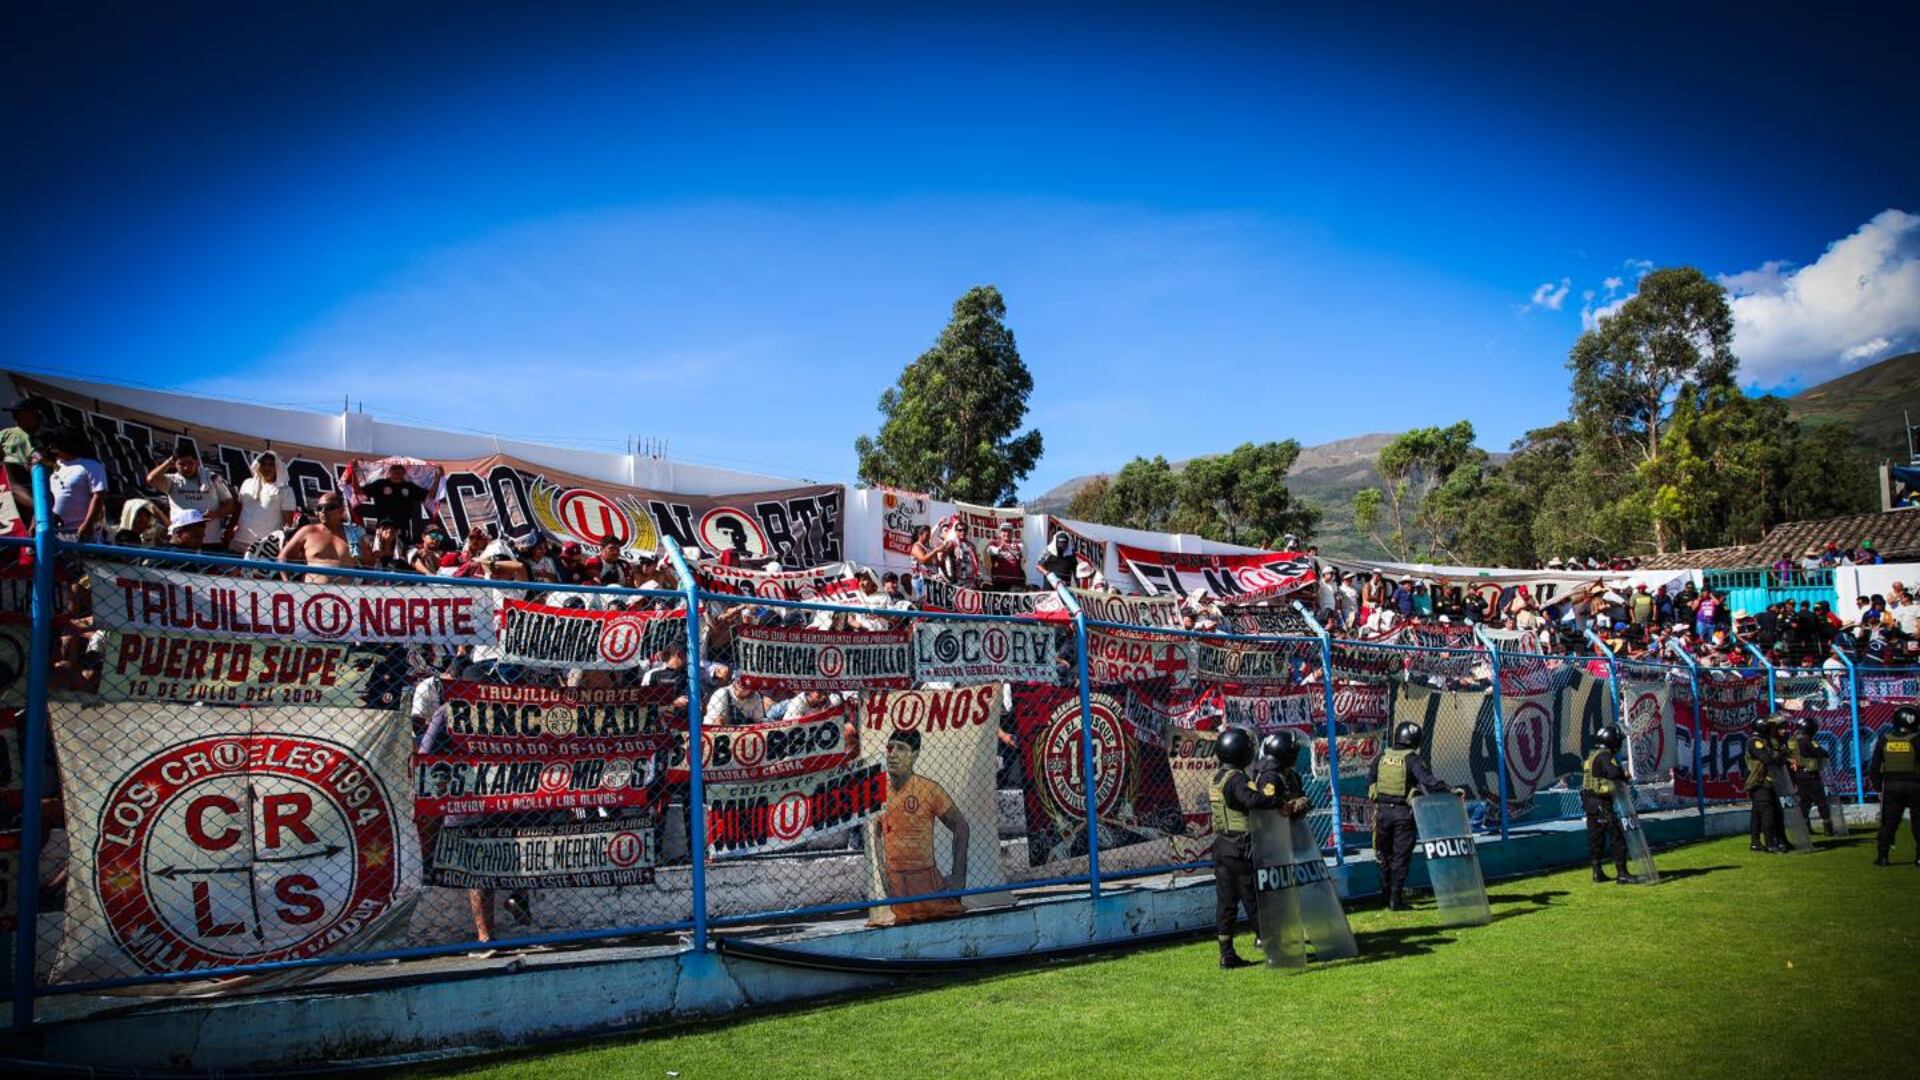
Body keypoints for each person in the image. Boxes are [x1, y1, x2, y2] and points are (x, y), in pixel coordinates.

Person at [874, 729, 970, 924]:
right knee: (899, 929)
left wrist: (958, 876)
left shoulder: (929, 789)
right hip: (894, 880)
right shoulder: (878, 790)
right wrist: (883, 872)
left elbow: (961, 826)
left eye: (901, 748)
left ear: (915, 755)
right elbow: (874, 834)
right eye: (889, 748)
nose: (892, 754)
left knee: (941, 923)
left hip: (925, 878)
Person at [1209, 726, 1285, 968]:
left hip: (1222, 845)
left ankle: (1226, 953)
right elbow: (1250, 799)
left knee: (1226, 902)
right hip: (1240, 847)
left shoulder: (1217, 777)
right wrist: (1273, 799)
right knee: (1253, 899)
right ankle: (1272, 949)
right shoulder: (1238, 779)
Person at [1369, 720, 1450, 910]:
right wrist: (1450, 790)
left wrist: (1378, 796)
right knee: (1400, 857)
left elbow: (1370, 781)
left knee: (1384, 855)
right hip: (1402, 814)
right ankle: (1395, 901)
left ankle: (1385, 896)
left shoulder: (1381, 756)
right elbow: (1429, 782)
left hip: (1381, 813)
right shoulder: (1412, 759)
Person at [145, 447, 235, 551]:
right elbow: (151, 479)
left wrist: (215, 514)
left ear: (196, 462)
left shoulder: (211, 478)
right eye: (181, 464)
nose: (186, 468)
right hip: (181, 540)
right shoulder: (172, 480)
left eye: (190, 463)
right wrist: (169, 461)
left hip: (209, 540)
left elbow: (230, 504)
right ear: (174, 464)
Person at [1581, 725, 1633, 883]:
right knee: (1617, 836)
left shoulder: (1592, 755)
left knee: (1596, 839)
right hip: (1601, 803)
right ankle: (1622, 873)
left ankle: (1597, 872)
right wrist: (1624, 774)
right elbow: (1613, 773)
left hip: (1589, 803)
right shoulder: (1604, 755)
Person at [1868, 706, 1919, 866]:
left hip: (1891, 786)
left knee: (1888, 823)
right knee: (1918, 823)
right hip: (1915, 785)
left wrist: (1878, 787)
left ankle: (1883, 856)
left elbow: (1874, 767)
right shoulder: (1917, 739)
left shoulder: (1885, 739)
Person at [42, 426, 107, 541]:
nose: (51, 447)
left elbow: (99, 495)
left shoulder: (92, 465)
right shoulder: (54, 465)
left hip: (80, 532)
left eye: (54, 444)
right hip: (56, 532)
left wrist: (88, 524)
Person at [230, 451, 300, 553]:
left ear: (278, 468)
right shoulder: (247, 483)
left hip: (265, 547)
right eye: (263, 464)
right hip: (239, 541)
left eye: (271, 464)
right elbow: (237, 511)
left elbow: (288, 522)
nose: (266, 468)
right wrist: (228, 534)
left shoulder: (285, 491)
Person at [279, 493, 357, 583]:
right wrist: (286, 582)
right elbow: (282, 557)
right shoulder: (307, 531)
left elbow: (369, 562)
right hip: (312, 591)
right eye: (319, 508)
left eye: (329, 507)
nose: (323, 511)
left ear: (341, 511)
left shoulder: (353, 534)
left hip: (347, 593)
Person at [356, 461, 436, 543]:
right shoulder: (380, 484)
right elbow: (358, 492)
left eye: (400, 468)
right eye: (394, 468)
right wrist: (354, 471)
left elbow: (430, 496)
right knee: (380, 554)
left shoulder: (410, 487)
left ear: (404, 471)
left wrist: (438, 476)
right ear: (389, 470)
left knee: (401, 554)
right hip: (383, 528)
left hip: (403, 529)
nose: (397, 471)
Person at [1788, 715, 1839, 837]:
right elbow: (1823, 753)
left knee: (1805, 802)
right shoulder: (1807, 741)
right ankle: (1828, 828)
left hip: (1799, 774)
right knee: (1821, 801)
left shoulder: (1792, 740)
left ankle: (1805, 827)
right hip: (1810, 775)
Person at [1744, 718, 1789, 853]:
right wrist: (1780, 754)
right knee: (1767, 813)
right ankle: (1770, 843)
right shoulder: (1755, 742)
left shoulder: (1766, 741)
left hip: (1769, 781)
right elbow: (1767, 758)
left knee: (1759, 814)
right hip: (1759, 782)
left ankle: (1756, 843)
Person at [1, 395, 53, 464]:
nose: (14, 417)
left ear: (33, 413)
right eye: (13, 413)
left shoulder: (51, 434)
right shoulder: (5, 434)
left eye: (18, 413)